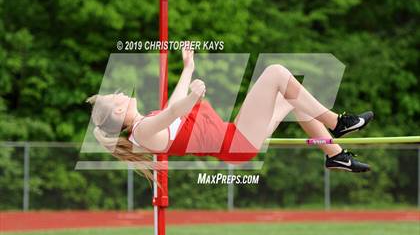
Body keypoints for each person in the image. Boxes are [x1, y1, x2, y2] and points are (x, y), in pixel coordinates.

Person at [87, 47, 373, 179]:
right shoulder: (141, 132)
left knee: (293, 98)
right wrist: (194, 95)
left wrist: (188, 69)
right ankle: (337, 122)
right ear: (119, 110)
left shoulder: (145, 125)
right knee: (275, 73)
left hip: (237, 138)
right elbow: (174, 110)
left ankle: (336, 156)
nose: (123, 93)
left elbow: (171, 107)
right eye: (117, 96)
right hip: (237, 141)